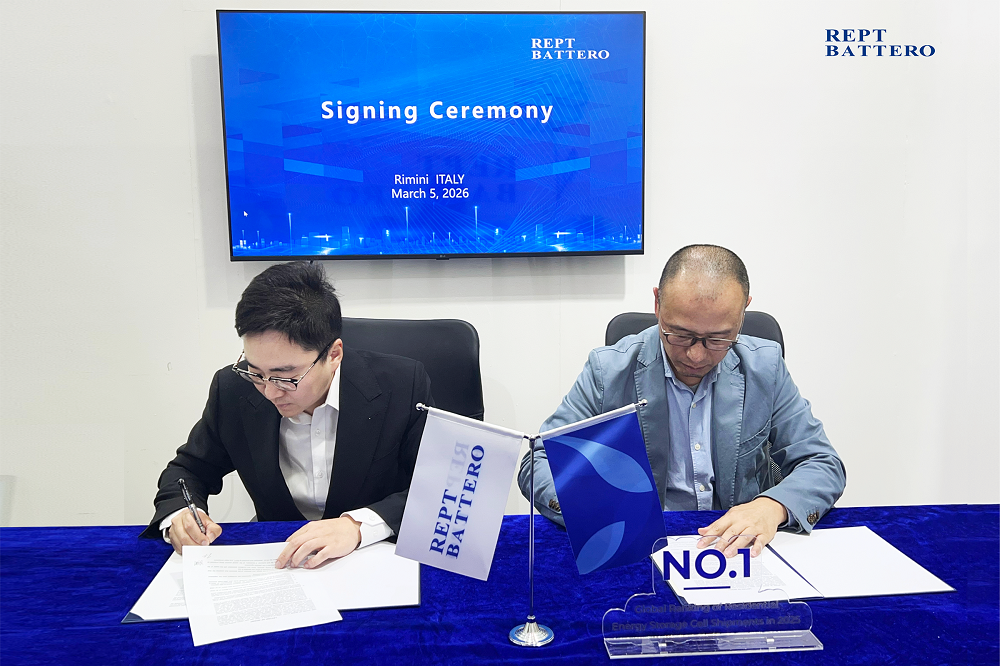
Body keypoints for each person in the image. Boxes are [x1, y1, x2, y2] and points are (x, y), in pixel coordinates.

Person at [519, 244, 846, 558]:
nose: (696, 355)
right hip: (642, 546)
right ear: (657, 303)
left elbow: (822, 462)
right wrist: (592, 507)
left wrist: (771, 507)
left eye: (718, 338)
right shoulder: (609, 371)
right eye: (679, 334)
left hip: (736, 547)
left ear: (743, 312)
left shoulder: (765, 367)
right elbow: (539, 462)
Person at [140, 262, 432, 569]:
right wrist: (182, 515)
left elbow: (436, 487)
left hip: (375, 561)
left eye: (286, 377)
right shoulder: (234, 390)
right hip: (280, 565)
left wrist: (359, 526)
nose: (269, 392)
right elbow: (189, 470)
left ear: (334, 355)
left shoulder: (401, 385)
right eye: (255, 371)